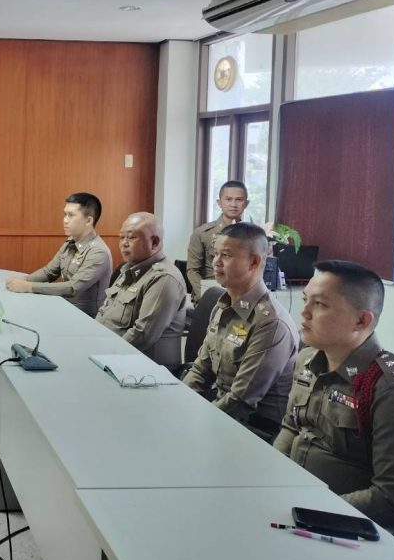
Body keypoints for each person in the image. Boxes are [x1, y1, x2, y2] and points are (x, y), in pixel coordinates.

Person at [274, 260, 394, 525]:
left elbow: (393, 502)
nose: (304, 313)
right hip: (291, 500)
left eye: (320, 304)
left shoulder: (393, 392)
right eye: (305, 300)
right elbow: (291, 427)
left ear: (361, 320)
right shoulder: (307, 361)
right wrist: (271, 476)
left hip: (338, 525)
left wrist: (309, 509)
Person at [182, 222, 298, 435]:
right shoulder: (223, 304)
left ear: (254, 262)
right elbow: (201, 370)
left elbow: (241, 401)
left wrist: (193, 423)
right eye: (215, 254)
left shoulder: (271, 323)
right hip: (219, 411)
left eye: (226, 255)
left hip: (254, 428)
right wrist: (180, 403)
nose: (216, 262)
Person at [95, 212, 186, 369]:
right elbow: (104, 313)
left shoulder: (164, 279)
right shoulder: (129, 269)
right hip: (114, 355)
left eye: (131, 238)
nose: (124, 244)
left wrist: (102, 354)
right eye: (121, 238)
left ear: (154, 243)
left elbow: (142, 335)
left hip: (143, 368)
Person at [5, 192, 112, 317]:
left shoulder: (98, 252)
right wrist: (24, 280)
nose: (65, 220)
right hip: (65, 308)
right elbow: (49, 272)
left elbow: (72, 288)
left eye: (71, 215)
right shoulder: (70, 242)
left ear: (88, 220)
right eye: (65, 214)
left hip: (86, 318)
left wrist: (28, 287)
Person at [186, 180, 249, 301]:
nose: (233, 204)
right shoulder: (202, 233)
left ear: (246, 203)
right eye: (228, 199)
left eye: (239, 200)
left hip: (242, 295)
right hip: (211, 292)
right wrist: (205, 296)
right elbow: (192, 271)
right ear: (219, 203)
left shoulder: (252, 235)